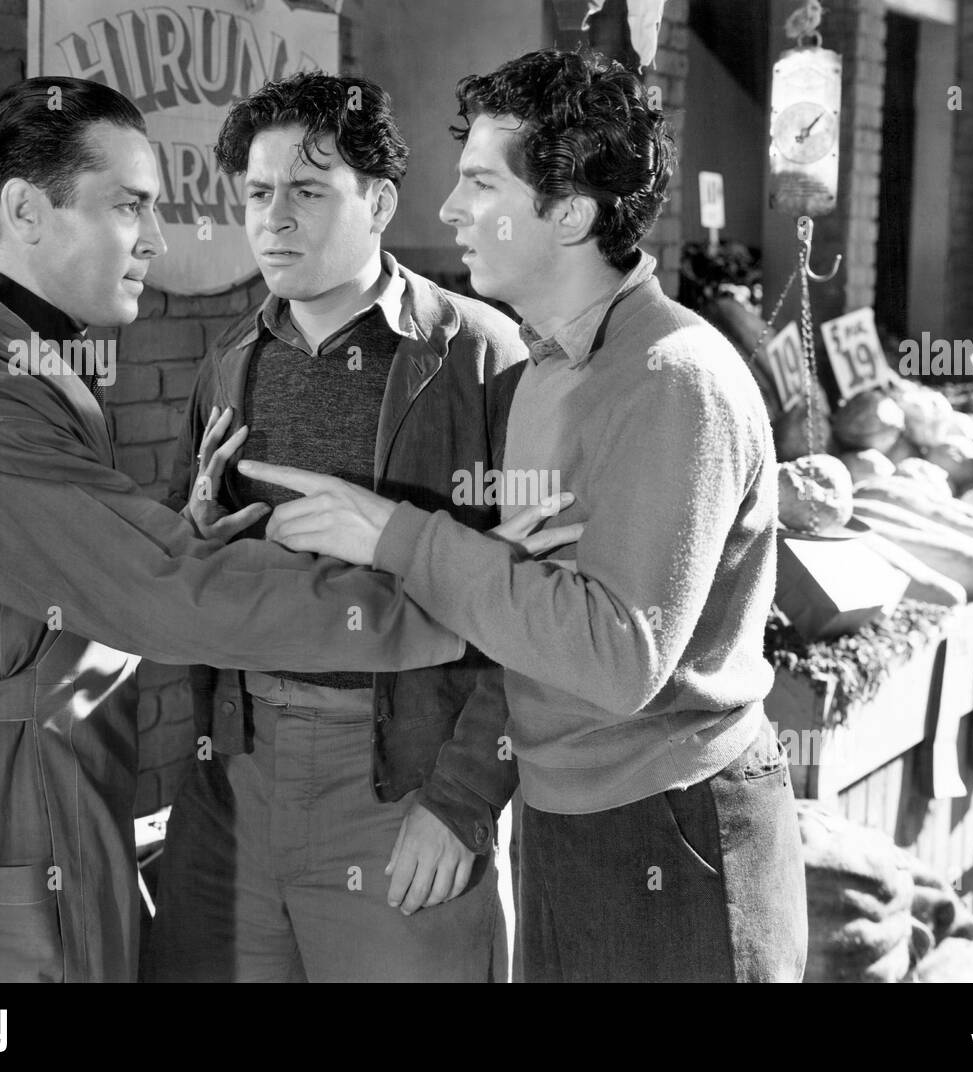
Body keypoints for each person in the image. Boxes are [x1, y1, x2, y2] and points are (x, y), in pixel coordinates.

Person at [0, 76, 481, 983]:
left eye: (306, 190)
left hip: (358, 784)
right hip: (6, 804)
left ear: (379, 202)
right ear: (27, 211)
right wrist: (464, 596)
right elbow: (169, 594)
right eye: (130, 208)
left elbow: (106, 569)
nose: (157, 238)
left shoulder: (27, 365)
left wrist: (171, 538)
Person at [239, 48, 809, 983]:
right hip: (562, 819)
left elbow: (617, 656)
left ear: (571, 212)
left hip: (673, 825)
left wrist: (397, 535)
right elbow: (525, 611)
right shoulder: (546, 370)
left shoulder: (673, 381)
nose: (450, 210)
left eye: (480, 184)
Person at [144, 74, 559, 982]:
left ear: (378, 201)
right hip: (237, 772)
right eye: (258, 194)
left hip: (400, 776)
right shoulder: (231, 357)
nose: (274, 219)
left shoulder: (482, 356)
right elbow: (183, 566)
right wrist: (195, 533)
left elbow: (542, 602)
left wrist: (464, 799)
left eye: (307, 191)